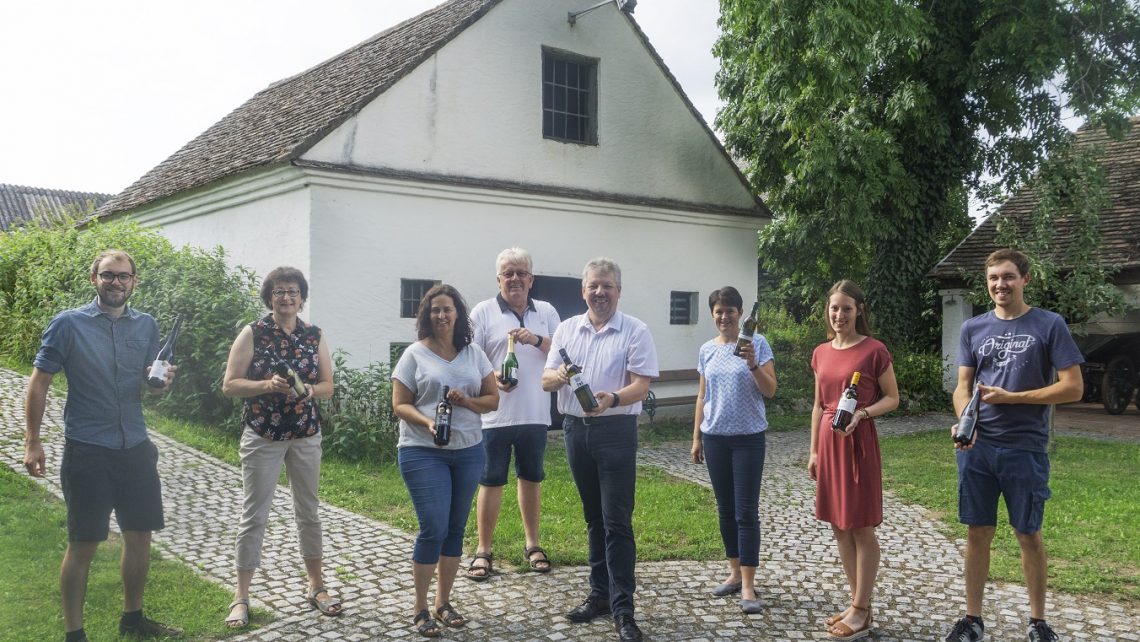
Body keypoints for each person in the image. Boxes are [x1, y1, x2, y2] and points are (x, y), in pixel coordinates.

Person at [23, 249, 182, 642]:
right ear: (94, 279)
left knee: (140, 534)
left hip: (136, 447)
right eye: (108, 275)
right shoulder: (68, 324)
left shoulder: (146, 326)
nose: (116, 282)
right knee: (84, 543)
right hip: (88, 448)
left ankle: (133, 619)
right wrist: (32, 441)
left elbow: (151, 384)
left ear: (134, 281)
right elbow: (39, 381)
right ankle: (74, 635)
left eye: (123, 276)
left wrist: (162, 382)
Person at [944, 249, 1083, 642]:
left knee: (1028, 534)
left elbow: (1073, 387)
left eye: (1008, 277)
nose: (1000, 285)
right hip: (978, 448)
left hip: (1025, 447)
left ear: (1025, 279)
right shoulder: (973, 328)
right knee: (977, 532)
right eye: (993, 279)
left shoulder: (1049, 324)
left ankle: (1038, 623)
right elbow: (963, 387)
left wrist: (1014, 398)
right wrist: (963, 420)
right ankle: (972, 620)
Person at [543, 258, 659, 642]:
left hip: (616, 431)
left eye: (607, 286)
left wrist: (612, 398)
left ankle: (624, 609)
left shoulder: (635, 330)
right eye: (594, 286)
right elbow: (545, 380)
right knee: (594, 518)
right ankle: (599, 594)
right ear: (583, 291)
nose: (600, 292)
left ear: (618, 291)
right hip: (576, 431)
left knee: (617, 522)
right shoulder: (565, 329)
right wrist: (559, 375)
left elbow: (642, 385)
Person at [221, 267, 341, 628]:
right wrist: (266, 385)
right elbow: (230, 385)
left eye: (292, 291)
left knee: (309, 511)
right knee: (254, 515)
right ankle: (241, 597)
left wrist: (307, 389)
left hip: (305, 434)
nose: (286, 298)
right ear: (269, 297)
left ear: (302, 297)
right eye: (279, 292)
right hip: (263, 435)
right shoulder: (253, 333)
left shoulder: (314, 334)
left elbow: (328, 385)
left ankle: (316, 586)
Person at [392, 284, 499, 638]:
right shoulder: (413, 355)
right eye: (435, 309)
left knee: (455, 528)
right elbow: (400, 404)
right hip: (422, 451)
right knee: (434, 527)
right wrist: (428, 422)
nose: (441, 315)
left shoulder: (474, 354)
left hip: (468, 450)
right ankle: (420, 607)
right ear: (426, 315)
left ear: (458, 315)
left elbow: (492, 400)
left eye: (447, 309)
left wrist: (467, 401)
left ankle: (443, 602)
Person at [808, 279, 899, 641]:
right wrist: (814, 450)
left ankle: (861, 610)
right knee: (839, 525)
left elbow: (893, 398)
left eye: (846, 308)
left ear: (859, 310)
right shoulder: (821, 351)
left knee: (861, 526)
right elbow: (818, 405)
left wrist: (863, 414)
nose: (839, 314)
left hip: (858, 442)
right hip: (830, 445)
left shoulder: (874, 350)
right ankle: (858, 602)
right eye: (834, 308)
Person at [468, 248, 561, 581]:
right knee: (490, 481)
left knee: (531, 479)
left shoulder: (547, 311)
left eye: (521, 273)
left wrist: (536, 339)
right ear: (498, 279)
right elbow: (470, 360)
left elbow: (564, 352)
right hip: (494, 416)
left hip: (535, 413)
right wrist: (493, 378)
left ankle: (533, 544)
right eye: (508, 273)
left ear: (531, 279)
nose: (515, 279)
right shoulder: (482, 312)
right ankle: (483, 550)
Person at [690, 286, 777, 614]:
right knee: (725, 509)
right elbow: (702, 396)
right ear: (713, 315)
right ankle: (733, 574)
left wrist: (753, 364)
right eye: (718, 311)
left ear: (741, 314)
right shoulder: (706, 350)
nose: (724, 316)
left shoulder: (757, 343)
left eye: (730, 310)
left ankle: (750, 587)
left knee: (745, 511)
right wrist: (696, 438)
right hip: (715, 438)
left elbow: (770, 390)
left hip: (748, 439)